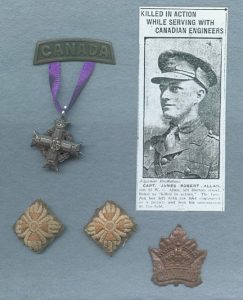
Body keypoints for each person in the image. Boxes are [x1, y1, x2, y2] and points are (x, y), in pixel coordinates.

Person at [144, 50, 219, 179]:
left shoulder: (215, 150)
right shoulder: (149, 145)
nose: (164, 96)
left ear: (198, 95)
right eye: (162, 88)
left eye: (174, 88)